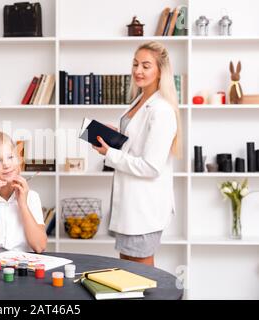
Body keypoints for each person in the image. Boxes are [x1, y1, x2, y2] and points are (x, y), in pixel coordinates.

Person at [92, 41, 182, 266]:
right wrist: (118, 135)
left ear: (160, 70)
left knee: (140, 273)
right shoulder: (139, 100)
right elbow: (137, 142)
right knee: (126, 268)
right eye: (135, 64)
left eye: (146, 65)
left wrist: (110, 153)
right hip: (130, 205)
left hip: (143, 206)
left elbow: (151, 166)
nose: (138, 71)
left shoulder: (161, 110)